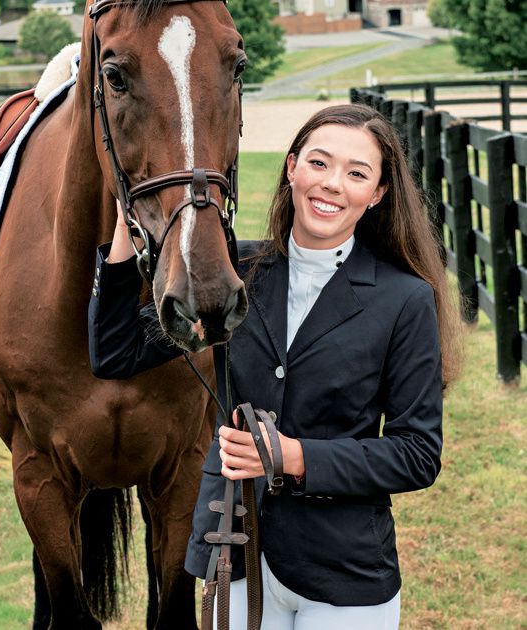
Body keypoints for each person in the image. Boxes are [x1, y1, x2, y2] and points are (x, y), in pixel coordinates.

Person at [88, 104, 461, 629]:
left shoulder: (404, 300)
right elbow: (117, 353)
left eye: (356, 173)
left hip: (342, 569)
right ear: (292, 168)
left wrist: (293, 456)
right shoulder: (235, 274)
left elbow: (417, 455)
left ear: (377, 194)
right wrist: (128, 222)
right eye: (319, 163)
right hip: (233, 551)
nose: (332, 184)